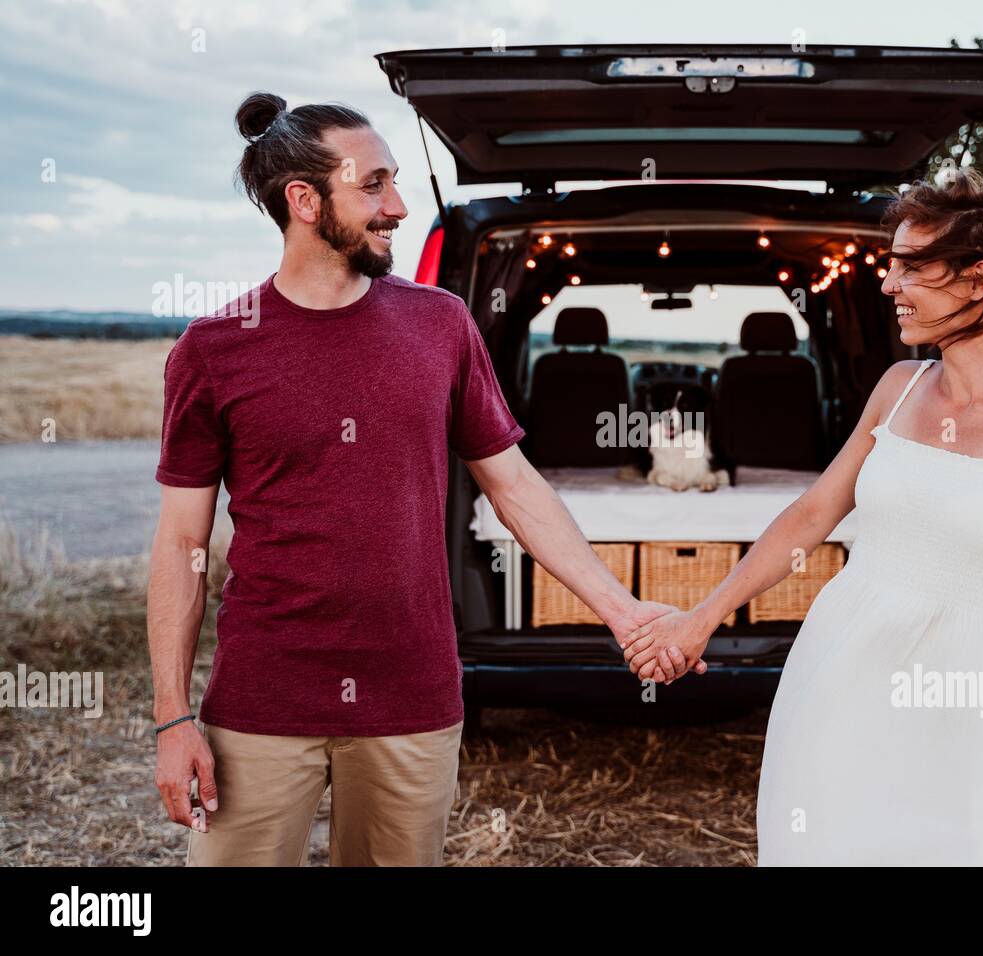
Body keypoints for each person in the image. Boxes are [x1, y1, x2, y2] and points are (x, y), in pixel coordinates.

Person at [147, 91, 695, 866]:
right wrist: (173, 720)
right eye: (373, 185)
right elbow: (180, 545)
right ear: (303, 200)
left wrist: (622, 612)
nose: (397, 206)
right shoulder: (213, 349)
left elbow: (515, 488)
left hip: (413, 698)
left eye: (396, 181)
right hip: (263, 701)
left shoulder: (440, 325)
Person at [621, 167, 983, 865]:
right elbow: (811, 515)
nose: (889, 285)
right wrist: (700, 618)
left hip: (967, 711)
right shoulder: (897, 386)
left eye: (912, 267)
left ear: (979, 278)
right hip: (836, 684)